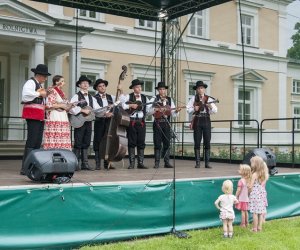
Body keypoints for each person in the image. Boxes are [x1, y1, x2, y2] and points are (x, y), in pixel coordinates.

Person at [20, 64, 50, 175]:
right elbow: (25, 95)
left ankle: (32, 165)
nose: (45, 78)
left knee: (37, 141)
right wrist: (39, 93)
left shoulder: (38, 84)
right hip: (33, 114)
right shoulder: (31, 82)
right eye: (44, 76)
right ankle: (25, 167)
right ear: (39, 75)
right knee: (32, 141)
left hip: (39, 114)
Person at [69, 75, 101, 171]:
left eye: (87, 83)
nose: (86, 84)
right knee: (78, 142)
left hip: (88, 122)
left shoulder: (92, 98)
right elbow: (71, 108)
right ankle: (75, 164)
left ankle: (85, 164)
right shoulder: (76, 96)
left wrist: (107, 109)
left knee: (86, 142)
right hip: (79, 121)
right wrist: (82, 110)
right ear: (79, 85)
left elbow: (97, 109)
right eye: (83, 83)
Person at [148, 81, 181, 168]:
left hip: (166, 124)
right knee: (157, 143)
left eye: (163, 89)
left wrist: (176, 111)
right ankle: (157, 163)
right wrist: (156, 110)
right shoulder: (154, 99)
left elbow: (173, 114)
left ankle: (166, 162)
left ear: (165, 90)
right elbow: (148, 111)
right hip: (158, 123)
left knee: (167, 143)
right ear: (158, 90)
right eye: (160, 89)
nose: (162, 91)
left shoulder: (170, 99)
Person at [187, 80, 217, 169]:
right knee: (197, 141)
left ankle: (207, 163)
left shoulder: (209, 99)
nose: (200, 90)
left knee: (207, 141)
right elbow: (188, 109)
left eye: (202, 88)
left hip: (206, 120)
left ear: (204, 89)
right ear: (196, 90)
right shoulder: (193, 98)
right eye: (199, 88)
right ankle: (198, 163)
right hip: (197, 120)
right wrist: (194, 108)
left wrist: (210, 106)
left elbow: (215, 111)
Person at [122, 79, 150, 169]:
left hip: (141, 121)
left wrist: (156, 110)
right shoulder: (128, 96)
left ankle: (140, 163)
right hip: (132, 121)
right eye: (137, 87)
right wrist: (130, 105)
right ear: (133, 88)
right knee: (131, 142)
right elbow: (121, 105)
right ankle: (132, 163)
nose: (139, 88)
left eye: (140, 87)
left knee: (141, 142)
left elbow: (149, 110)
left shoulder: (145, 98)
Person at [43, 75, 72, 150]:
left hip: (62, 115)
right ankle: (53, 152)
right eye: (62, 81)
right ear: (56, 82)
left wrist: (70, 105)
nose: (63, 83)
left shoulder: (62, 92)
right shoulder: (52, 90)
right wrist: (62, 105)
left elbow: (65, 104)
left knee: (62, 135)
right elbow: (49, 104)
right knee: (56, 134)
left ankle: (63, 153)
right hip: (55, 114)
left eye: (63, 81)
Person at [93, 78, 115, 170]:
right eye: (100, 86)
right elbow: (96, 110)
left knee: (108, 141)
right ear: (97, 88)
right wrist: (106, 113)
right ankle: (98, 164)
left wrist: (120, 89)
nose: (102, 87)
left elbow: (120, 102)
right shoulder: (94, 98)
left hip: (109, 122)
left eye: (103, 86)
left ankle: (107, 163)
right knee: (98, 141)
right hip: (100, 121)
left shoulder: (111, 97)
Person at [249, 156, 269, 232]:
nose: (251, 164)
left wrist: (249, 189)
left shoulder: (254, 174)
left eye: (252, 162)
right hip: (262, 194)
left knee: (255, 213)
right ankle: (259, 228)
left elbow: (251, 185)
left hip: (255, 195)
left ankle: (254, 228)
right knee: (260, 212)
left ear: (255, 164)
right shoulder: (264, 174)